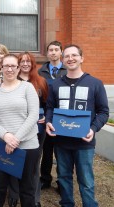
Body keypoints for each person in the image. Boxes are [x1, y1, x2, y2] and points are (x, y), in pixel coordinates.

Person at [45, 44, 109, 207]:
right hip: (61, 141)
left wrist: (93, 129)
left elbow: (103, 111)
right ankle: (67, 204)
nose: (70, 58)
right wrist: (48, 122)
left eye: (74, 55)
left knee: (86, 180)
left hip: (84, 142)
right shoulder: (57, 84)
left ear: (82, 58)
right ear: (63, 59)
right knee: (64, 177)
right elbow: (50, 108)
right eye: (67, 56)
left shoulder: (95, 83)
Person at [0, 54, 40, 207]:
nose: (9, 69)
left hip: (27, 146)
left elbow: (33, 115)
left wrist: (15, 139)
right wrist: (6, 136)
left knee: (27, 188)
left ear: (18, 68)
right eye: (6, 66)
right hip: (2, 146)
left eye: (13, 66)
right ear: (1, 68)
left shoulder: (27, 87)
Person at [15, 52, 48, 207]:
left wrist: (47, 117)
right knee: (14, 161)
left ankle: (34, 198)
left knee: (33, 164)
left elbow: (48, 104)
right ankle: (14, 195)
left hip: (37, 129)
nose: (25, 64)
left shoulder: (41, 82)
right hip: (15, 128)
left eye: (28, 61)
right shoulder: (12, 81)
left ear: (33, 64)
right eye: (22, 61)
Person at [38, 40, 67, 190]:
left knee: (62, 152)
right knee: (47, 151)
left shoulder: (68, 71)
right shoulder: (40, 72)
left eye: (56, 49)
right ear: (47, 53)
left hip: (63, 116)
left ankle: (62, 182)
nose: (53, 52)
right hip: (46, 116)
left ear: (61, 52)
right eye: (51, 50)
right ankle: (45, 178)